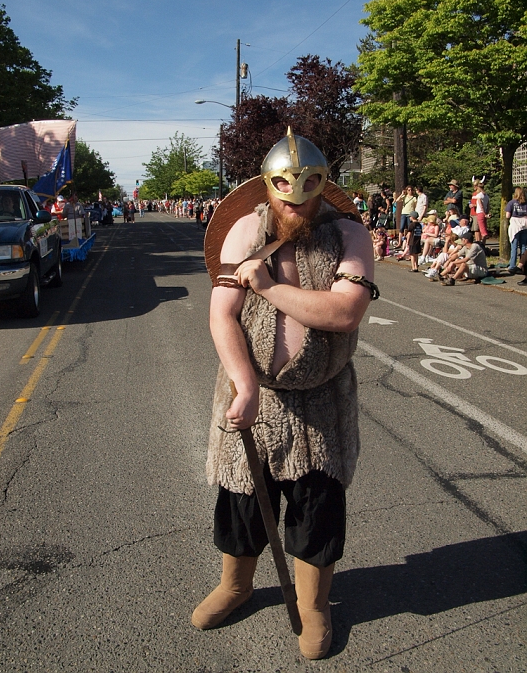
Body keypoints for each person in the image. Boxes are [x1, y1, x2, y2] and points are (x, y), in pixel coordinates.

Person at [192, 129, 376, 660]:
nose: (296, 203)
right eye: (285, 191)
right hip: (254, 397)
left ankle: (315, 607)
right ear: (267, 188)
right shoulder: (245, 229)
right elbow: (222, 314)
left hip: (322, 403)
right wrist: (244, 385)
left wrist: (269, 286)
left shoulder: (349, 235)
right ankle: (237, 586)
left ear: (323, 187)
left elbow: (344, 312)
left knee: (316, 508)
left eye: (308, 191)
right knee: (242, 502)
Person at [505, 187, 527, 272]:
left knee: (514, 246)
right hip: (525, 224)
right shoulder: (526, 203)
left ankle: (512, 265)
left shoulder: (511, 202)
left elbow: (507, 215)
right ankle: (522, 265)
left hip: (515, 225)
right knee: (524, 245)